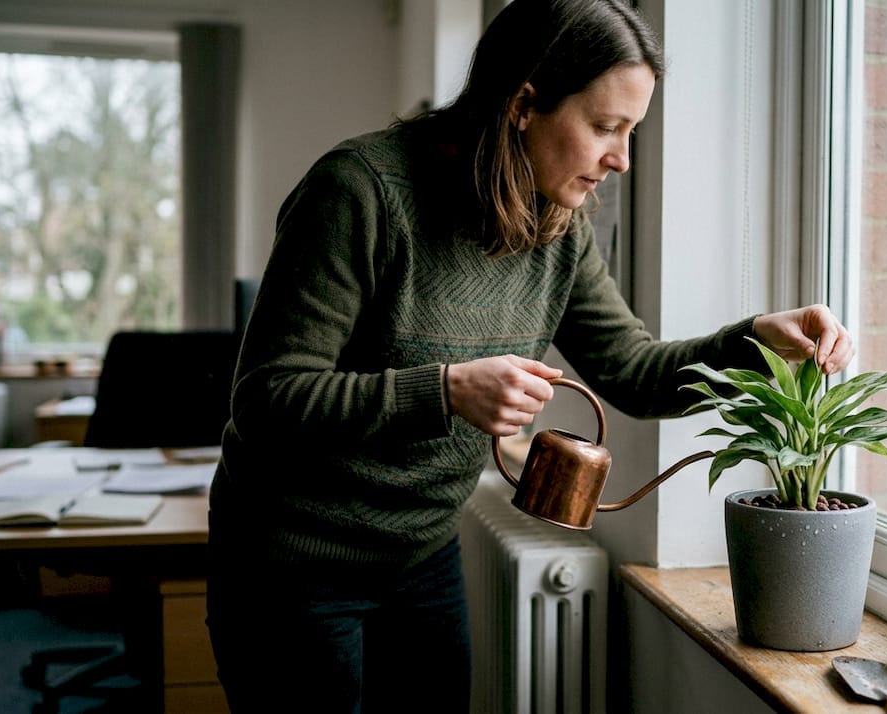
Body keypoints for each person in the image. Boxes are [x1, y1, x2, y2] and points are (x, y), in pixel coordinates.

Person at [205, 0, 854, 711]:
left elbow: (633, 373)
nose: (622, 159)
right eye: (605, 127)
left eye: (631, 132)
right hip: (290, 572)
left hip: (420, 558)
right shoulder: (359, 192)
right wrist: (447, 390)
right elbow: (268, 397)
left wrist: (756, 339)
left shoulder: (559, 226)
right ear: (523, 104)